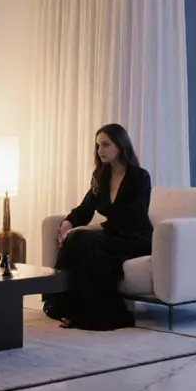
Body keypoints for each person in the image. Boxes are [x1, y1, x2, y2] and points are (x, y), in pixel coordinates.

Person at [45, 124, 152, 331]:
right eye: (98, 146)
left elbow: (132, 218)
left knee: (82, 240)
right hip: (111, 236)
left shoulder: (139, 177)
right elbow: (85, 209)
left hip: (134, 236)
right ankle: (74, 309)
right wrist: (68, 223)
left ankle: (104, 314)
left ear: (120, 145)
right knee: (76, 240)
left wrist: (91, 229)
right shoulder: (100, 176)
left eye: (105, 144)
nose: (100, 150)